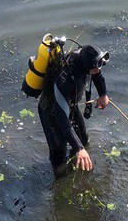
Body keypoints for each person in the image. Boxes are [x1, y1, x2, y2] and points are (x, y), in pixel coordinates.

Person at [38, 44, 110, 177]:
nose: (97, 70)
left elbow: (97, 74)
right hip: (52, 111)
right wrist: (78, 148)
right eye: (95, 68)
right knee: (59, 155)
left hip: (70, 104)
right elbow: (60, 116)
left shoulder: (87, 61)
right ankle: (59, 181)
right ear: (87, 66)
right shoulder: (64, 78)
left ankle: (80, 164)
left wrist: (103, 94)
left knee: (84, 140)